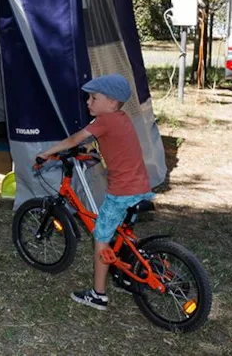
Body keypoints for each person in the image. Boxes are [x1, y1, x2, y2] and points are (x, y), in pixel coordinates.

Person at [35, 74, 153, 311]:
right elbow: (108, 141)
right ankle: (128, 274)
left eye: (93, 98)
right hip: (140, 187)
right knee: (122, 232)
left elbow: (74, 139)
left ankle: (98, 295)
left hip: (121, 192)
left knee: (101, 237)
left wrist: (46, 152)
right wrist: (90, 147)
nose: (88, 102)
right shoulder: (121, 118)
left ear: (111, 102)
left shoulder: (104, 120)